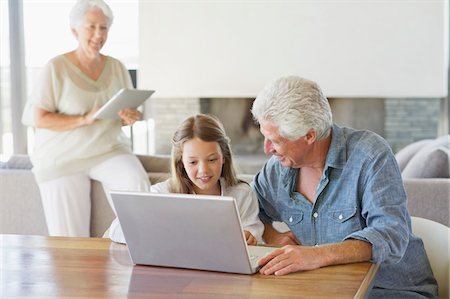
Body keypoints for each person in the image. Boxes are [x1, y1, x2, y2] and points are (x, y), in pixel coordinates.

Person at [251, 76, 438, 298]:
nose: (266, 149)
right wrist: (273, 236)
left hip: (391, 290)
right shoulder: (277, 170)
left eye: (275, 140)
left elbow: (391, 234)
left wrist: (315, 255)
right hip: (327, 289)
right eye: (264, 137)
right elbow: (249, 209)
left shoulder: (370, 156)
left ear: (309, 136)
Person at [24, 0, 151, 237]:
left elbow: (123, 114)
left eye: (103, 28)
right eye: (91, 27)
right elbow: (39, 119)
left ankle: (143, 250)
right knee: (70, 239)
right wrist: (84, 119)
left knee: (136, 183)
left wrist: (130, 116)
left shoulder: (117, 67)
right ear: (75, 31)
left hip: (108, 149)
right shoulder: (55, 67)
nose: (98, 34)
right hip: (63, 156)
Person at [108, 114, 264, 245]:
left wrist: (251, 236)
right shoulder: (162, 193)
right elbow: (116, 229)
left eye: (211, 160)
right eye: (193, 162)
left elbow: (254, 232)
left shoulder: (241, 194)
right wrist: (152, 231)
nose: (203, 170)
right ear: (181, 162)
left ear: (224, 157)